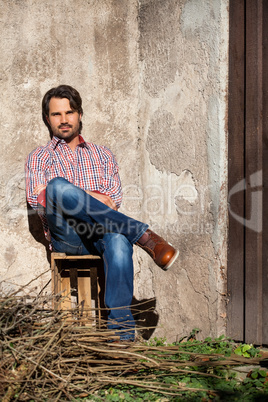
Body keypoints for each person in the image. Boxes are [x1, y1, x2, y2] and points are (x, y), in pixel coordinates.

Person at [25, 85, 179, 341]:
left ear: (80, 114)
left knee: (118, 240)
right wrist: (81, 195)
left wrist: (77, 198)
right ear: (47, 118)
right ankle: (143, 236)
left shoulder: (103, 154)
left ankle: (121, 339)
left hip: (100, 234)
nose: (64, 120)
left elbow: (112, 202)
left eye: (70, 112)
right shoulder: (39, 157)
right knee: (56, 187)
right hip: (67, 236)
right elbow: (39, 199)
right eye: (56, 114)